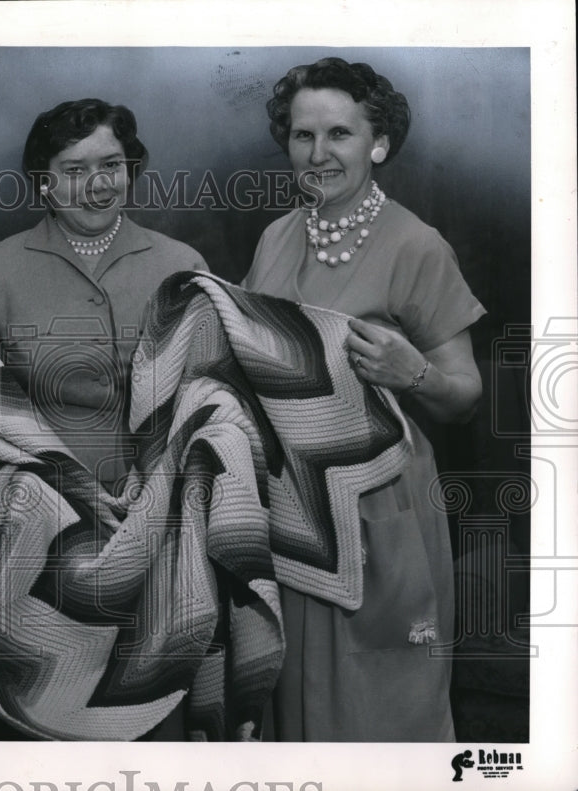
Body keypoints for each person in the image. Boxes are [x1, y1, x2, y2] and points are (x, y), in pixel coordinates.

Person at [0, 98, 208, 739]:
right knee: (44, 719)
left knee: (149, 717)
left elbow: (208, 400)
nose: (95, 185)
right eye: (72, 168)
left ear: (132, 167)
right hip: (35, 535)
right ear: (43, 179)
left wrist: (160, 484)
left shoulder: (181, 265)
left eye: (111, 164)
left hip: (159, 524)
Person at [244, 57, 485, 741]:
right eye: (301, 136)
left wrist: (414, 373)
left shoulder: (417, 245)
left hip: (384, 508)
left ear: (378, 144)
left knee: (383, 697)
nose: (318, 155)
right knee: (295, 696)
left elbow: (464, 396)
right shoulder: (277, 234)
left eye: (340, 135)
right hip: (289, 507)